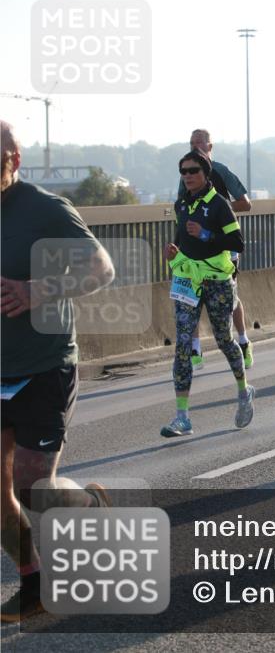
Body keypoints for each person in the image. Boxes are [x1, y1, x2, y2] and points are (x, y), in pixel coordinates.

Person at [1, 120, 116, 621]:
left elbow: (101, 269)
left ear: (14, 161)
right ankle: (34, 581)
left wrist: (36, 292)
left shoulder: (44, 209)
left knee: (32, 485)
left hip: (45, 365)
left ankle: (91, 507)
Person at [161, 150, 254, 437]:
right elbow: (181, 238)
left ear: (206, 174)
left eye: (193, 171)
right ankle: (182, 417)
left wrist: (206, 235)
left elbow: (237, 242)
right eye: (184, 172)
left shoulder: (219, 205)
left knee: (224, 339)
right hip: (187, 280)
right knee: (182, 344)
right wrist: (173, 251)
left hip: (217, 281)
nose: (188, 176)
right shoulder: (181, 205)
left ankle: (243, 390)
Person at [177, 129, 254, 371]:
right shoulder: (187, 174)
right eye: (191, 143)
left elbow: (245, 203)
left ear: (210, 147)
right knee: (191, 296)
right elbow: (181, 207)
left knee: (230, 296)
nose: (195, 147)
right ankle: (196, 348)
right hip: (195, 246)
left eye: (200, 143)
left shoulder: (220, 170)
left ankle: (242, 342)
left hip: (221, 244)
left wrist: (216, 208)